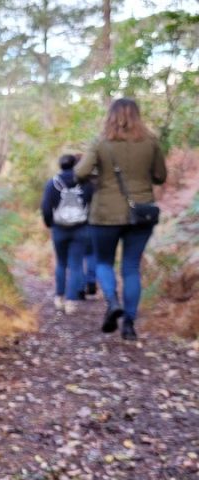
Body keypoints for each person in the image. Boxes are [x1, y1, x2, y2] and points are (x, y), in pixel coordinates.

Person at [74, 98, 167, 340]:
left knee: (104, 261)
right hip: (141, 213)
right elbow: (160, 176)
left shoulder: (100, 143)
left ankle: (113, 301)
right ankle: (129, 325)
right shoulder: (151, 142)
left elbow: (80, 172)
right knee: (131, 268)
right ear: (137, 115)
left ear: (110, 116)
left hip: (105, 213)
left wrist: (98, 177)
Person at [41, 154, 93, 314]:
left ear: (60, 165)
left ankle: (59, 297)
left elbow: (45, 207)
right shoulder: (85, 183)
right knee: (76, 265)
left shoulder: (53, 183)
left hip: (59, 229)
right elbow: (93, 204)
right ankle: (71, 301)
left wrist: (50, 224)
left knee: (61, 263)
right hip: (81, 229)